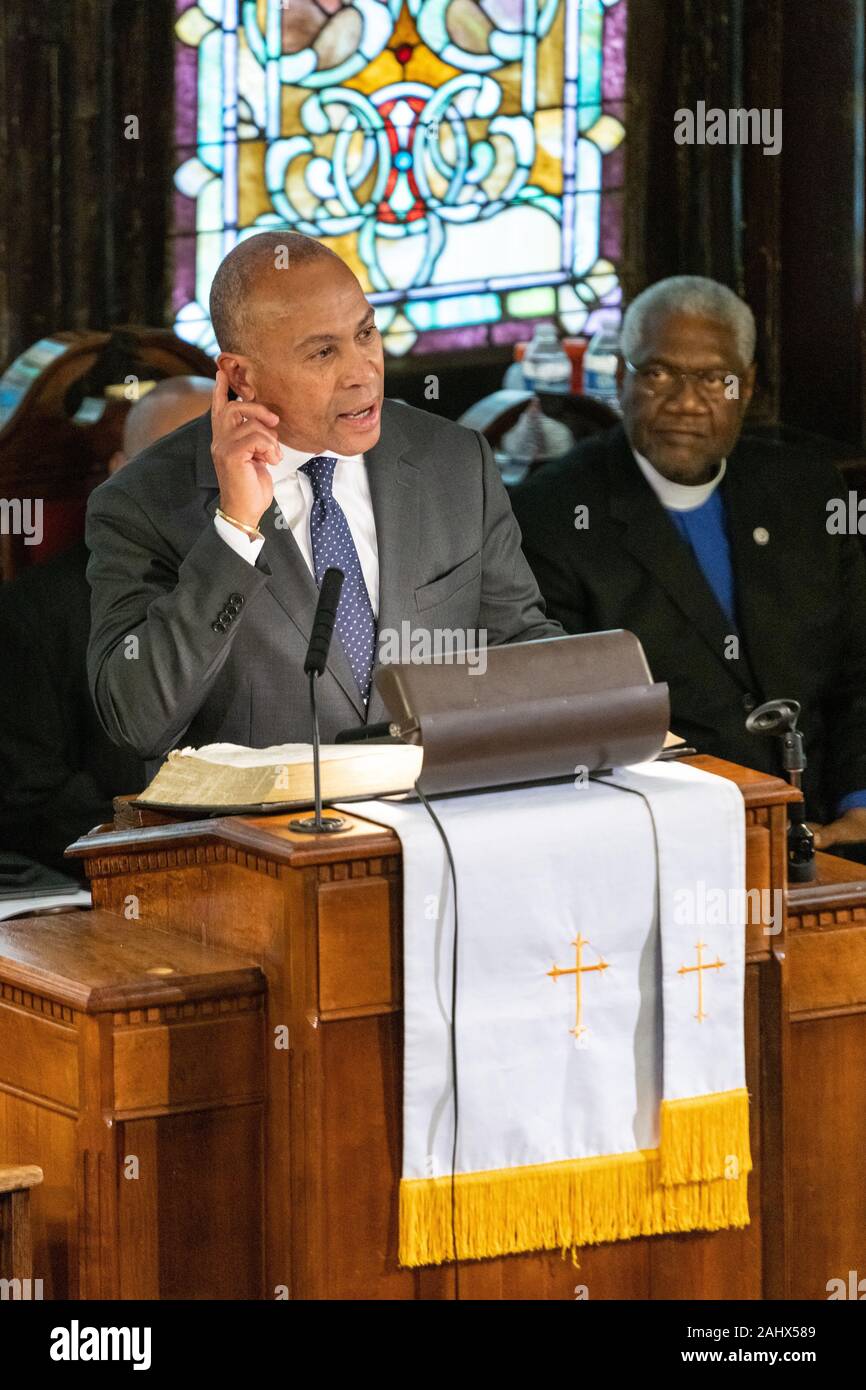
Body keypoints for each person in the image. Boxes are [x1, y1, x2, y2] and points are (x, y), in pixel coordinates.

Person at [85, 232, 560, 780]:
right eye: (323, 352)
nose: (363, 372)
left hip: (439, 830)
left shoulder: (452, 462)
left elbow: (519, 645)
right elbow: (137, 720)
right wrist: (235, 530)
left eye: (366, 334)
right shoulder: (142, 504)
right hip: (254, 850)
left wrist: (602, 710)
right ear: (242, 376)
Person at [512, 275, 866, 855]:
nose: (685, 402)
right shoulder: (551, 515)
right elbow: (578, 725)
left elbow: (859, 671)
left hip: (831, 825)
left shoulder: (806, 491)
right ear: (622, 381)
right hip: (667, 839)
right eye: (658, 374)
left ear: (746, 387)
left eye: (713, 378)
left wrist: (860, 803)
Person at [0, 376, 215, 877]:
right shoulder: (35, 612)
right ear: (119, 473)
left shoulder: (287, 572)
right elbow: (34, 799)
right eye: (173, 461)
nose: (206, 483)